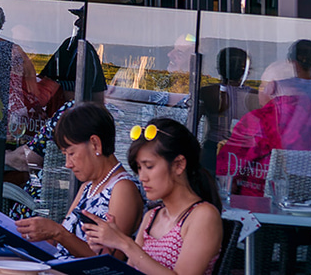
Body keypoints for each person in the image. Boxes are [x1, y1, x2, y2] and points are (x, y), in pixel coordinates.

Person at [82, 119, 225, 275]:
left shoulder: (203, 216)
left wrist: (124, 243)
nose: (142, 177)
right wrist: (106, 248)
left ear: (179, 165)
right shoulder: (152, 216)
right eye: (139, 168)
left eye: (149, 166)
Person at [16, 105, 144, 257]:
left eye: (71, 153)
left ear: (95, 144)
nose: (67, 164)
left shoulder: (123, 189)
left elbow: (109, 263)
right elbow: (61, 244)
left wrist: (58, 233)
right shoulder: (88, 187)